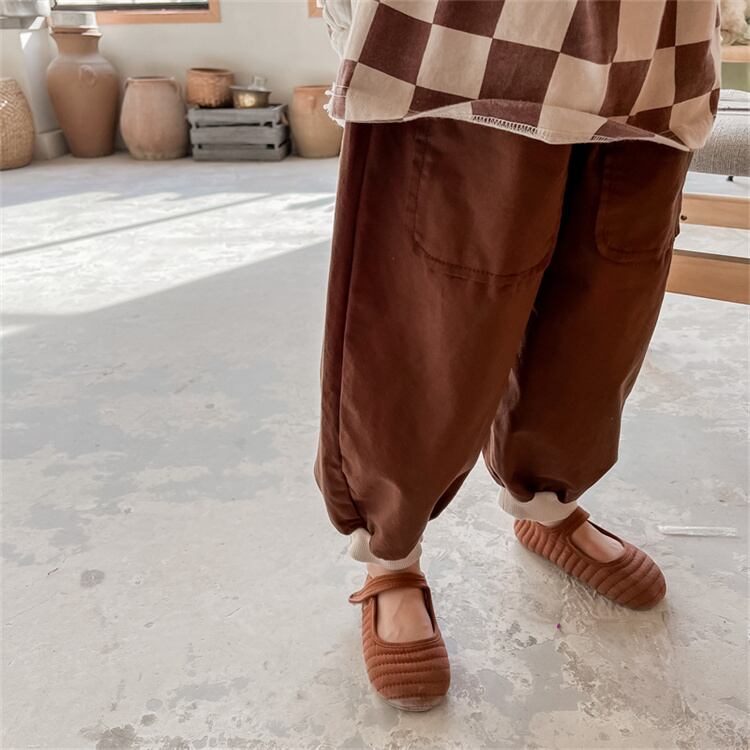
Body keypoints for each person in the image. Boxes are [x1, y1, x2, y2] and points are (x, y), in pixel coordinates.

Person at [314, 0, 721, 712]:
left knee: (605, 300)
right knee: (434, 311)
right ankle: (391, 555)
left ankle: (546, 500)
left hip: (656, 42)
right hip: (476, 40)